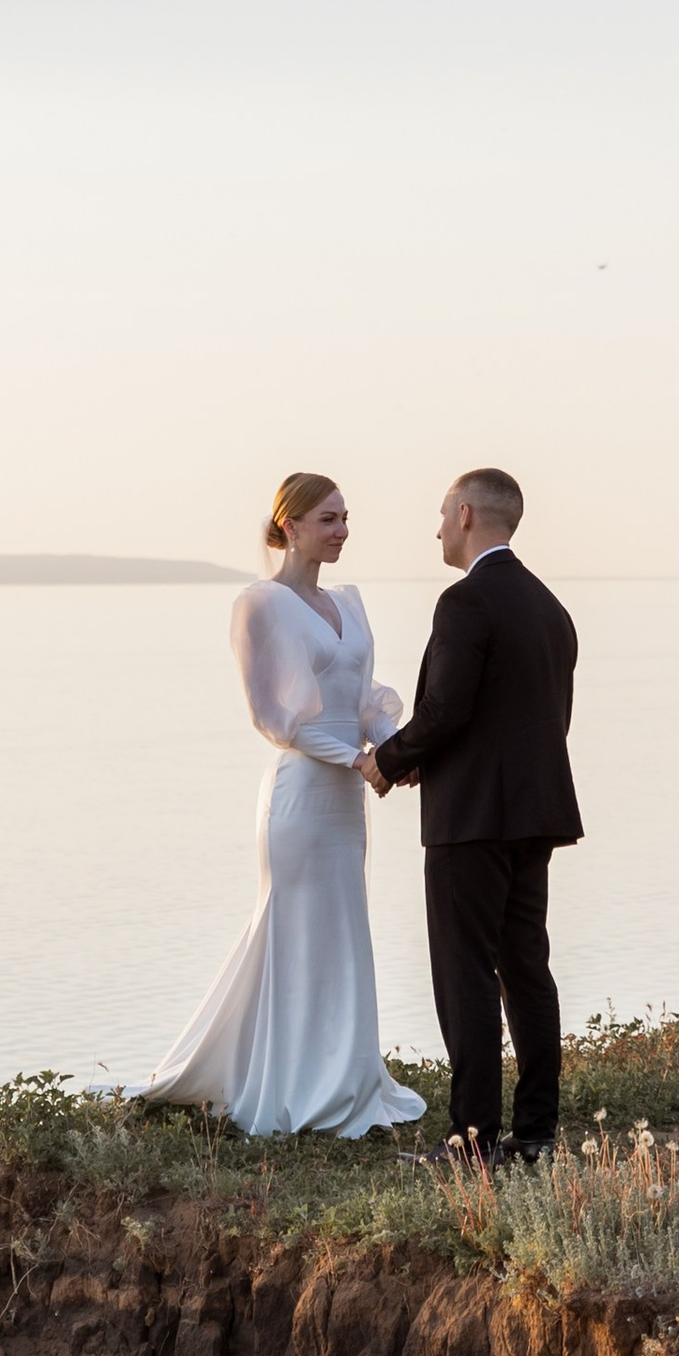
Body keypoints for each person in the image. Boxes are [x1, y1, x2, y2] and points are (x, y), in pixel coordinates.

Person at [143, 475, 427, 1140]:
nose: (342, 531)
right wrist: (356, 759)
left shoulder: (350, 605)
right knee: (296, 929)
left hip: (347, 799)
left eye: (346, 518)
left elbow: (365, 699)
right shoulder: (259, 605)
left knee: (343, 930)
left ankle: (346, 1076)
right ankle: (290, 1081)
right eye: (328, 519)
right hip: (302, 794)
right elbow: (273, 717)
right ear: (290, 525)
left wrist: (392, 750)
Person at [361, 467, 580, 1164]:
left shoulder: (465, 603)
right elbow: (530, 719)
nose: (433, 531)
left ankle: (474, 1140)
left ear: (463, 514)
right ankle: (538, 1132)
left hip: (472, 821)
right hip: (535, 814)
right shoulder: (549, 607)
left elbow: (449, 709)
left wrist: (390, 760)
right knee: (526, 967)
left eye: (438, 516)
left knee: (467, 975)